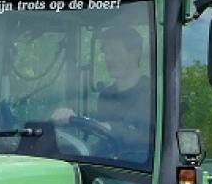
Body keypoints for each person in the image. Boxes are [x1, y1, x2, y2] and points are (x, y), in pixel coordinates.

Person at [54, 26, 151, 166]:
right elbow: (100, 137)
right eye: (106, 53)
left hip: (138, 169)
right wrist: (71, 119)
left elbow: (140, 136)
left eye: (115, 52)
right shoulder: (106, 95)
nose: (109, 59)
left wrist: (105, 127)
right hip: (106, 166)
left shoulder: (151, 94)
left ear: (135, 53)